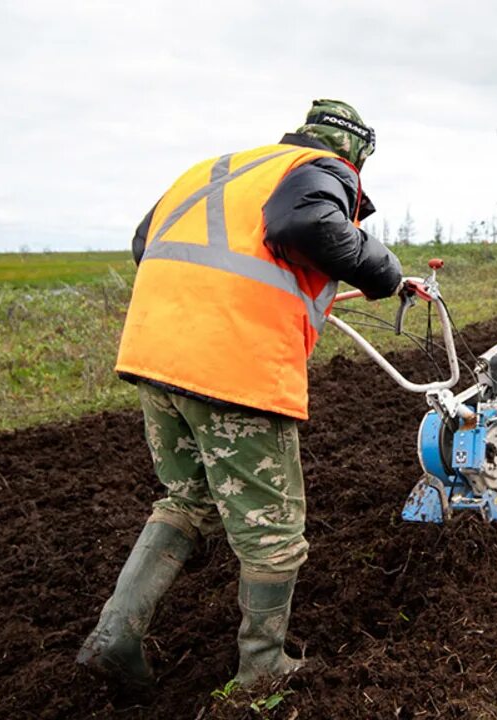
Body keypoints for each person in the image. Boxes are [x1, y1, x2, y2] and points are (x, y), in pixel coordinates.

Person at [77, 99, 403, 690]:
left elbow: (143, 241)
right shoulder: (322, 168)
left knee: (192, 498)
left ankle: (115, 632)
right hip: (231, 366)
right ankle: (262, 669)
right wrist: (382, 268)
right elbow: (304, 225)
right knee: (273, 531)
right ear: (354, 148)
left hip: (155, 355)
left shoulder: (219, 170)